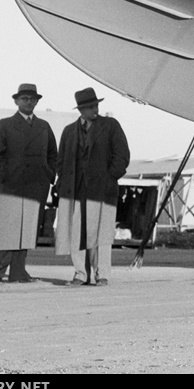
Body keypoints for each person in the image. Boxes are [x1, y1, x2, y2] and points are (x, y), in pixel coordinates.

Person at [55, 87, 130, 286]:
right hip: (77, 189)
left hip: (103, 190)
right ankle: (80, 273)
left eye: (96, 105)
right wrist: (62, 184)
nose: (95, 110)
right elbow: (61, 161)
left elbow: (122, 156)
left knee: (102, 234)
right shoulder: (69, 131)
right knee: (77, 232)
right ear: (80, 109)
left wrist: (109, 177)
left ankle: (102, 274)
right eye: (90, 107)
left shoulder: (111, 125)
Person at [0, 83, 58, 285]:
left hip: (35, 187)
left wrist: (48, 175)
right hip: (10, 187)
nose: (29, 102)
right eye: (24, 98)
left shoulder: (44, 127)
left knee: (27, 229)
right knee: (4, 230)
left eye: (32, 99)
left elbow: (53, 154)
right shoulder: (4, 124)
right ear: (16, 101)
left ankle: (18, 272)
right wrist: (4, 177)